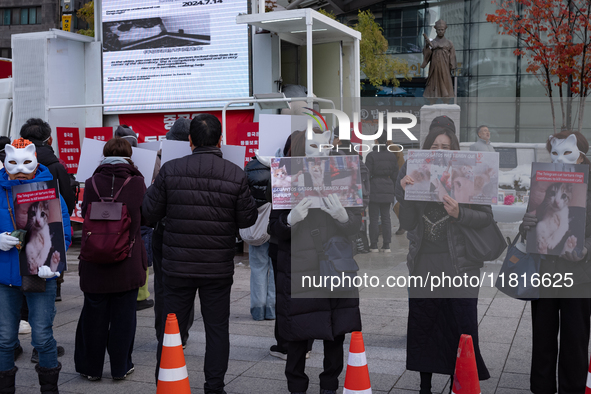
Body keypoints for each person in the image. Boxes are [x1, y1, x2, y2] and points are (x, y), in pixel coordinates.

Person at [143, 114, 257, 394]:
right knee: (217, 329)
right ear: (220, 140)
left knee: (171, 330)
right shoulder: (235, 173)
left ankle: (167, 383)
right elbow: (247, 220)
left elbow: (149, 213)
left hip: (176, 267)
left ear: (190, 141)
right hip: (217, 268)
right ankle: (214, 387)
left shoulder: (170, 170)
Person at [395, 115, 490, 393]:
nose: (439, 150)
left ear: (454, 149)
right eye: (435, 145)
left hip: (460, 264)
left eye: (446, 147)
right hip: (426, 261)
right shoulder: (412, 170)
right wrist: (404, 194)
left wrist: (460, 213)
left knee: (460, 323)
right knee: (424, 321)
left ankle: (459, 380)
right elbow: (408, 223)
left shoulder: (468, 173)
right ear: (427, 147)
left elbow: (485, 217)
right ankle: (425, 384)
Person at [269, 130, 362, 394]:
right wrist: (291, 219)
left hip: (334, 264)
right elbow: (273, 228)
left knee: (336, 332)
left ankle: (329, 387)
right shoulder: (285, 178)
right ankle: (297, 387)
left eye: (324, 145)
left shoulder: (345, 175)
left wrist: (343, 217)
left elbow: (355, 226)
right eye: (313, 146)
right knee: (298, 334)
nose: (320, 151)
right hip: (299, 267)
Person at [521, 130, 591, 394]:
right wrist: (526, 226)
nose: (560, 158)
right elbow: (534, 221)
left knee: (575, 342)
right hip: (546, 272)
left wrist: (586, 250)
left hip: (581, 277)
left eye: (567, 152)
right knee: (543, 341)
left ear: (582, 153)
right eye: (554, 152)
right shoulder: (546, 181)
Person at [0, 138, 71, 394]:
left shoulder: (49, 190)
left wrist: (54, 261)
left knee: (42, 336)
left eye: (26, 161)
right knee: (5, 339)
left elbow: (62, 230)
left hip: (41, 276)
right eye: (13, 161)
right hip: (4, 277)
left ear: (35, 159)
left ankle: (49, 390)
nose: (19, 167)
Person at [74, 137, 147, 381]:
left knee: (93, 315)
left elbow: (85, 214)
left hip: (94, 260)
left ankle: (90, 369)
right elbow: (142, 220)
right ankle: (120, 367)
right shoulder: (137, 182)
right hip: (126, 261)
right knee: (124, 317)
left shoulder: (92, 181)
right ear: (129, 156)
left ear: (104, 156)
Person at [151, 117, 195, 346]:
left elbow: (151, 204)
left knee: (163, 286)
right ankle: (182, 333)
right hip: (194, 233)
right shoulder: (202, 161)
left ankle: (165, 334)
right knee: (189, 284)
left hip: (166, 231)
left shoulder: (159, 160)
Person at [244, 151, 275, 321]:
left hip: (258, 224)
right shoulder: (283, 164)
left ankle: (257, 309)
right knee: (276, 266)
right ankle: (272, 308)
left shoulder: (250, 167)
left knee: (258, 267)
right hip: (278, 223)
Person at [365, 132, 399, 253]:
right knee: (386, 218)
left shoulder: (371, 156)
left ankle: (373, 245)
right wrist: (393, 189)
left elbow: (366, 174)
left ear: (376, 140)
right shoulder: (391, 156)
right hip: (388, 187)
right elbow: (396, 175)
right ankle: (386, 245)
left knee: (373, 218)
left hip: (374, 187)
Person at [421, 20, 457, 99]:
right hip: (434, 68)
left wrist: (453, 66)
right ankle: (432, 101)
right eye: (439, 30)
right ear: (436, 30)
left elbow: (452, 55)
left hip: (445, 68)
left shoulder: (449, 43)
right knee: (433, 85)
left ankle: (446, 102)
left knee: (446, 84)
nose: (440, 31)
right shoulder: (432, 42)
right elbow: (427, 54)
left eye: (442, 30)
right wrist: (427, 47)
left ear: (445, 30)